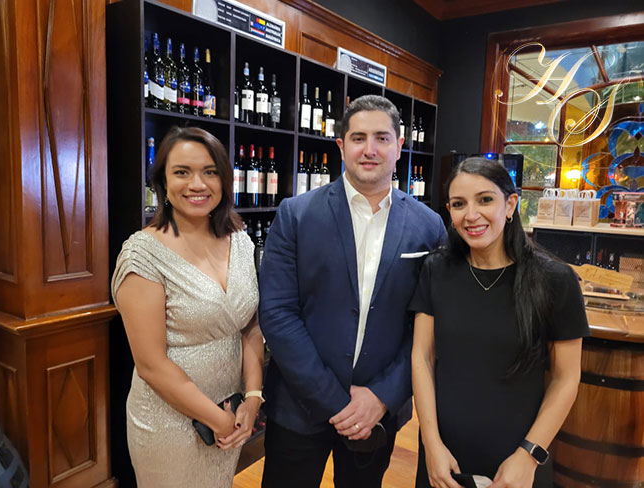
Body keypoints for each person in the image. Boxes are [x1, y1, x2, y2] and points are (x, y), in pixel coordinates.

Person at [258, 95, 447, 487]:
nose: (370, 149)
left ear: (399, 145)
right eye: (358, 138)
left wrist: (382, 396)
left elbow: (427, 325)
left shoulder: (429, 227)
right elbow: (277, 313)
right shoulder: (295, 214)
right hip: (298, 406)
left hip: (379, 412)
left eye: (382, 138)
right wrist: (338, 401)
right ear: (341, 146)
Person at [410, 157, 589, 488]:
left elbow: (566, 378)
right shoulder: (436, 270)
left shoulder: (555, 279)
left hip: (518, 459)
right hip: (443, 455)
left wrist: (529, 455)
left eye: (485, 200)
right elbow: (422, 357)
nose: (471, 215)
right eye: (459, 204)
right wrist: (430, 442)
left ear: (510, 204)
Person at [111, 126, 264, 487]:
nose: (198, 184)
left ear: (224, 180)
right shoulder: (142, 255)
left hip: (230, 411)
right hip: (169, 424)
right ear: (162, 182)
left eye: (209, 172)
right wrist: (216, 419)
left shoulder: (240, 240)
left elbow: (249, 325)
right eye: (182, 172)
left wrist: (253, 397)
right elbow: (151, 365)